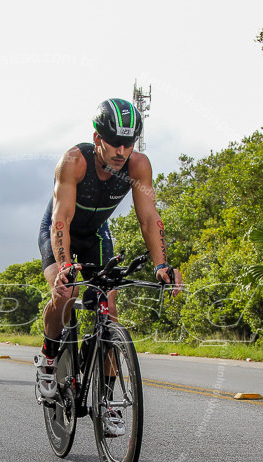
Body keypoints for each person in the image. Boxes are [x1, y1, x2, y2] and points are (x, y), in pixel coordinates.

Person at [34, 98, 182, 418]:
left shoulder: (138, 166)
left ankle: (108, 401)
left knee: (109, 309)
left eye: (127, 144)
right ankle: (47, 358)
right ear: (97, 138)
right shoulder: (74, 162)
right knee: (67, 292)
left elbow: (148, 218)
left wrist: (161, 264)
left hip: (96, 235)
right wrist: (64, 266)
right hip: (59, 231)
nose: (120, 151)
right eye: (114, 143)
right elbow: (62, 220)